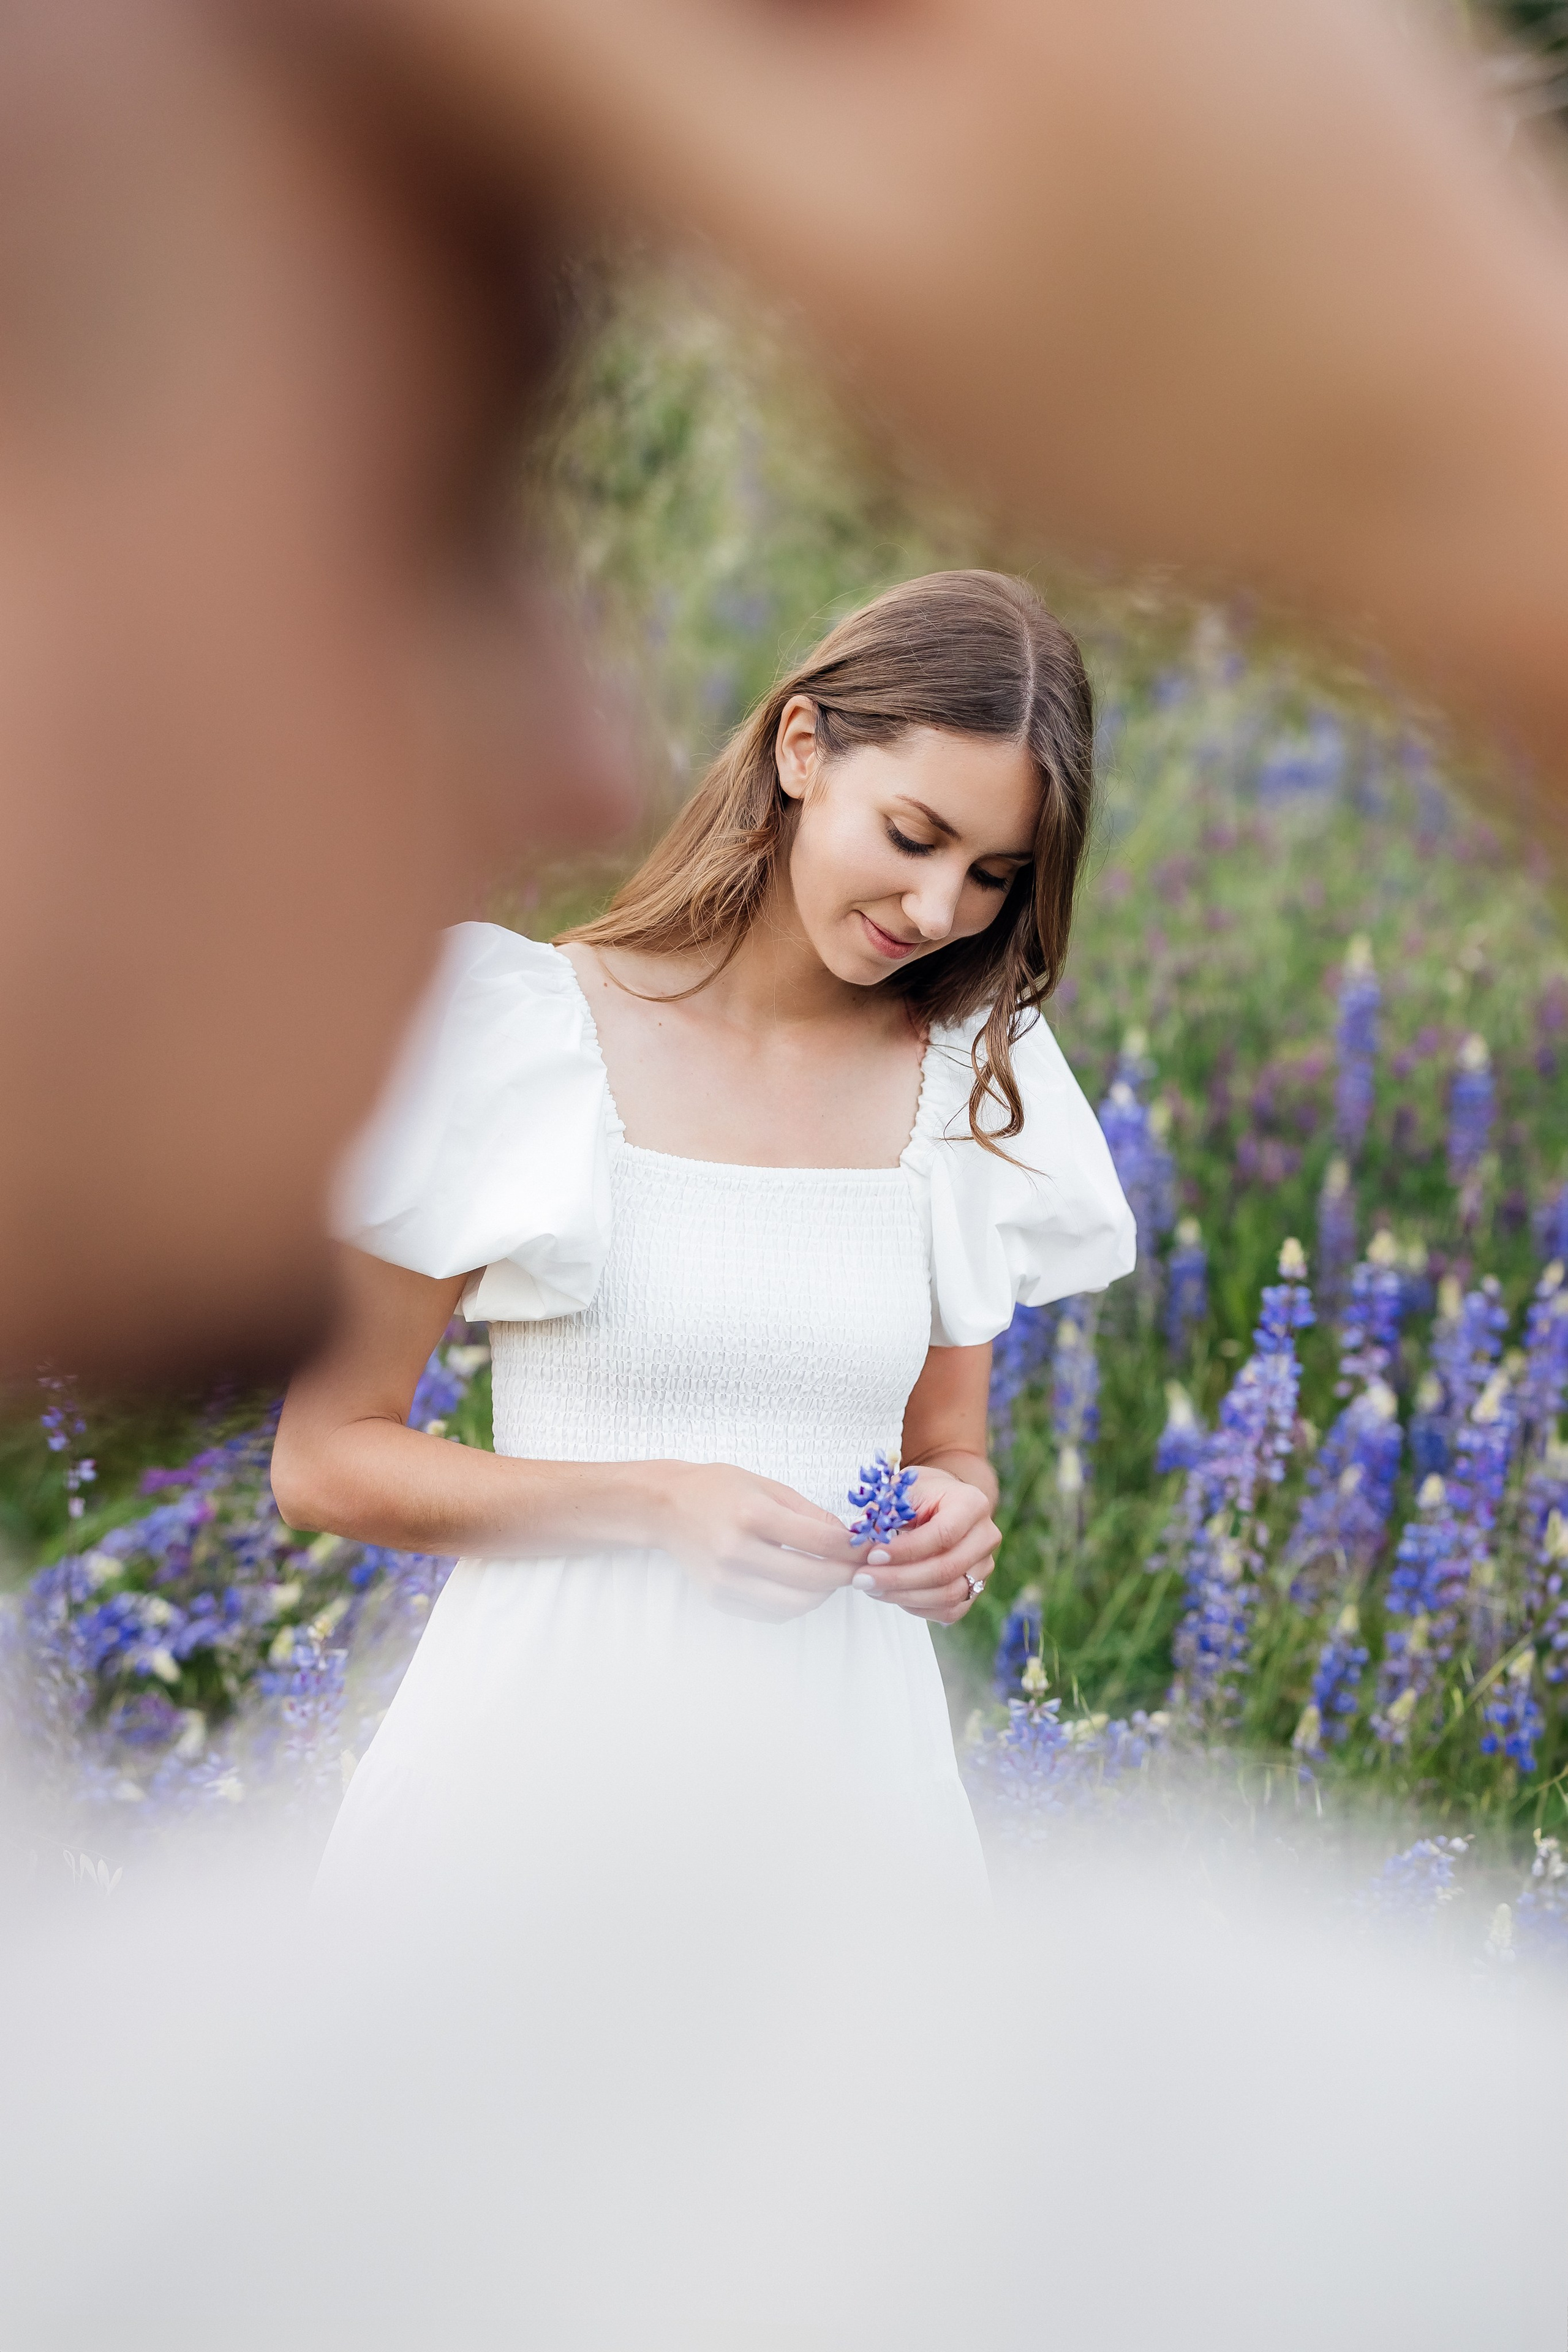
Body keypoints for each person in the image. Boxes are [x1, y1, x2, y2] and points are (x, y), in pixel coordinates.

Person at [270, 572, 1133, 1921]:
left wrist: (957, 1520)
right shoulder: (525, 1034)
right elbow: (323, 1460)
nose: (935, 909)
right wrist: (656, 1498)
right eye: (911, 835)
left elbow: (946, 1449)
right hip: (533, 1770)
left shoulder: (976, 1078)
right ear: (802, 751)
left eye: (990, 877)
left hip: (845, 1786)